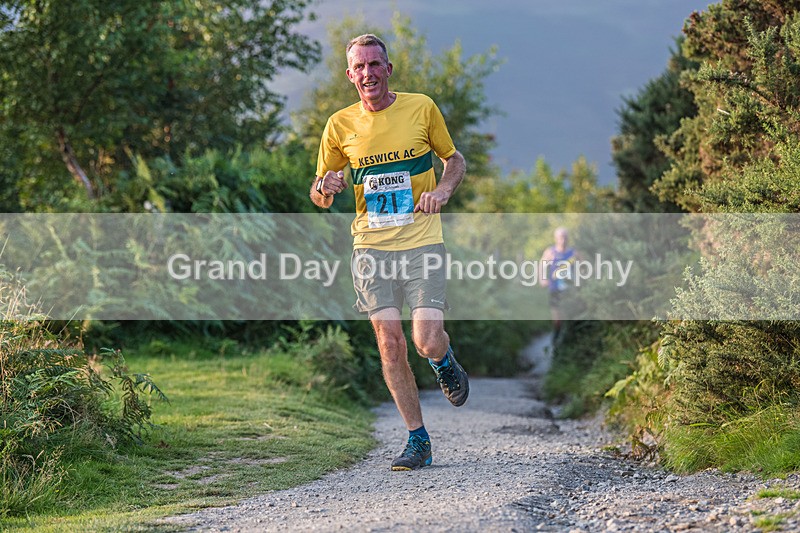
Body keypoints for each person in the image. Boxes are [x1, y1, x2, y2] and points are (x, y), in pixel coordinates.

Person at [309, 34, 469, 471]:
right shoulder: (339, 125)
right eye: (359, 67)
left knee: (424, 339)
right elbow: (318, 192)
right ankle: (418, 439)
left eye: (374, 65)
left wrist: (441, 190)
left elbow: (455, 160)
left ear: (388, 68)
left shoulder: (421, 107)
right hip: (370, 245)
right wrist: (327, 186)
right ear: (349, 75)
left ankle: (443, 357)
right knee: (389, 343)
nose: (367, 74)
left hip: (421, 240)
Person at [539, 227, 580, 335]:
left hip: (570, 290)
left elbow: (585, 267)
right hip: (555, 289)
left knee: (569, 317)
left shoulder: (573, 253)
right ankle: (556, 341)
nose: (563, 240)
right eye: (560, 237)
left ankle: (568, 342)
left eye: (565, 237)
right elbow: (541, 266)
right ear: (555, 238)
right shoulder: (550, 252)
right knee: (557, 319)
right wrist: (542, 279)